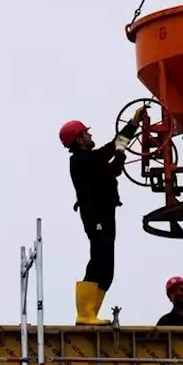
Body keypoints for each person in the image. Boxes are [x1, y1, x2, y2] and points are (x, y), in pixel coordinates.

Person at [60, 107, 144, 325]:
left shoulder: (89, 158)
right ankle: (85, 314)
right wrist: (119, 152)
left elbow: (111, 148)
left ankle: (91, 314)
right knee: (99, 259)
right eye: (86, 134)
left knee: (107, 266)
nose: (90, 135)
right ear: (78, 139)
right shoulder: (80, 162)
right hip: (96, 215)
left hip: (105, 213)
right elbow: (113, 168)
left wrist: (133, 125)